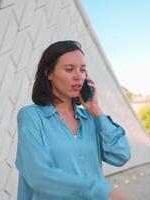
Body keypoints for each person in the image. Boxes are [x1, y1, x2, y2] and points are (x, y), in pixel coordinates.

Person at [15, 40, 131, 200]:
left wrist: (96, 111)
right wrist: (100, 189)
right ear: (49, 73)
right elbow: (38, 177)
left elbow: (121, 155)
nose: (79, 76)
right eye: (70, 69)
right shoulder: (31, 117)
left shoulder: (91, 119)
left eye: (83, 70)